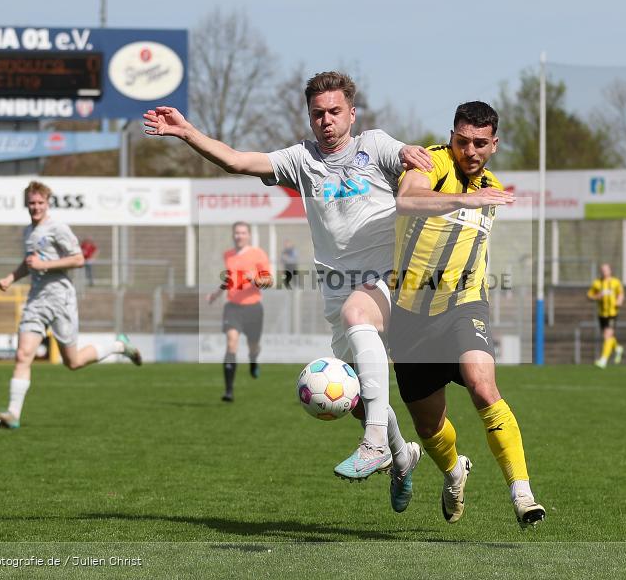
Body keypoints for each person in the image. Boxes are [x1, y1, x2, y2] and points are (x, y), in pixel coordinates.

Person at [144, 71, 430, 501]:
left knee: (358, 319)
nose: (326, 120)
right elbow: (237, 161)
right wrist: (187, 132)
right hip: (336, 287)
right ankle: (400, 456)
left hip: (384, 277)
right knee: (354, 395)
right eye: (318, 114)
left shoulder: (375, 144)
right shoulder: (302, 159)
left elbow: (404, 156)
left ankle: (374, 444)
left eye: (335, 111)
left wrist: (408, 151)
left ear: (352, 113)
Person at [389, 101, 545, 529]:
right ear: (452, 137)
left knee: (482, 385)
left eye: (480, 143)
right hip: (408, 316)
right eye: (462, 141)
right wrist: (465, 197)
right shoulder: (433, 161)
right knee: (429, 424)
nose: (469, 150)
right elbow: (407, 199)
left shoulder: (493, 185)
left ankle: (522, 494)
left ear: (494, 144)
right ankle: (454, 470)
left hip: (463, 307)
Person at [0, 181, 142, 430]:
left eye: (40, 203)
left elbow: (79, 259)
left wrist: (44, 266)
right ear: (26, 204)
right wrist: (11, 277)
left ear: (48, 203)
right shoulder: (28, 232)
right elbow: (30, 263)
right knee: (22, 354)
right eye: (31, 203)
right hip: (36, 300)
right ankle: (13, 413)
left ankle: (118, 345)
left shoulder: (58, 228)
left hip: (61, 300)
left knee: (73, 362)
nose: (35, 207)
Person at [206, 221, 272, 402]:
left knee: (253, 346)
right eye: (236, 233)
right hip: (232, 307)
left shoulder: (258, 254)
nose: (239, 236)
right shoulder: (228, 255)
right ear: (233, 235)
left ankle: (253, 359)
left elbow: (269, 280)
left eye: (243, 233)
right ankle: (228, 391)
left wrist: (255, 279)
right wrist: (216, 294)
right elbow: (229, 279)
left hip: (253, 307)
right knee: (231, 343)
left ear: (248, 235)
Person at [587, 263, 625, 368]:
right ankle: (617, 348)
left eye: (606, 270)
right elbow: (589, 296)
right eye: (602, 270)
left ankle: (603, 360)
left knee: (607, 335)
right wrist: (597, 296)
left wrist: (619, 301)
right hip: (602, 314)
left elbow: (621, 293)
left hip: (612, 313)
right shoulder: (597, 283)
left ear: (610, 270)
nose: (604, 272)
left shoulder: (615, 282)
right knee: (608, 336)